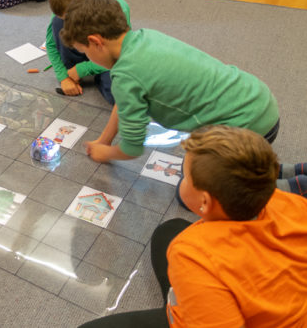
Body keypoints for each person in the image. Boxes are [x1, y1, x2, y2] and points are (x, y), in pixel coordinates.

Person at [78, 125, 307, 328]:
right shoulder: (291, 201)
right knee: (168, 230)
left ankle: (187, 304)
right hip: (276, 304)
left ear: (205, 202)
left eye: (185, 176)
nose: (181, 180)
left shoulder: (192, 254)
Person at [60, 0, 280, 164]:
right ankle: (289, 173)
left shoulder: (126, 77)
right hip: (259, 98)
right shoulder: (145, 37)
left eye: (84, 51)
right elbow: (123, 102)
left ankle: (269, 180)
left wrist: (105, 153)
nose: (86, 57)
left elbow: (132, 148)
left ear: (96, 42)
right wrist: (104, 141)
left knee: (190, 190)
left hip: (248, 129)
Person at [45, 0, 131, 104]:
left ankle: (97, 73)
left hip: (109, 58)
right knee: (57, 23)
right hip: (89, 56)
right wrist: (64, 77)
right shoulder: (61, 12)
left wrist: (83, 69)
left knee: (119, 95)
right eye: (65, 18)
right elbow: (51, 46)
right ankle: (74, 71)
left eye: (70, 18)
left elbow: (122, 55)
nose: (69, 22)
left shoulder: (116, 7)